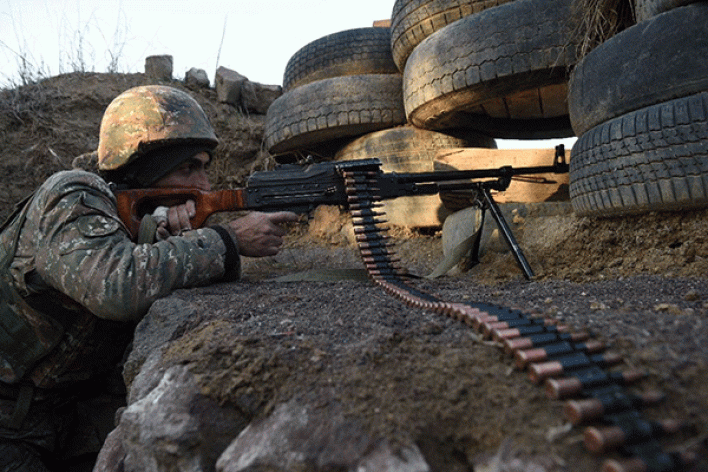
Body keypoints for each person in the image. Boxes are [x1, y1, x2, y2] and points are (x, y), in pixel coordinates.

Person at [0, 85, 299, 471]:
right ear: (143, 170)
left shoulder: (130, 220)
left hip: (66, 416)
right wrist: (228, 240)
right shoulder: (71, 195)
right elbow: (117, 286)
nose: (205, 185)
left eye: (204, 168)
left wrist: (163, 239)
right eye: (188, 168)